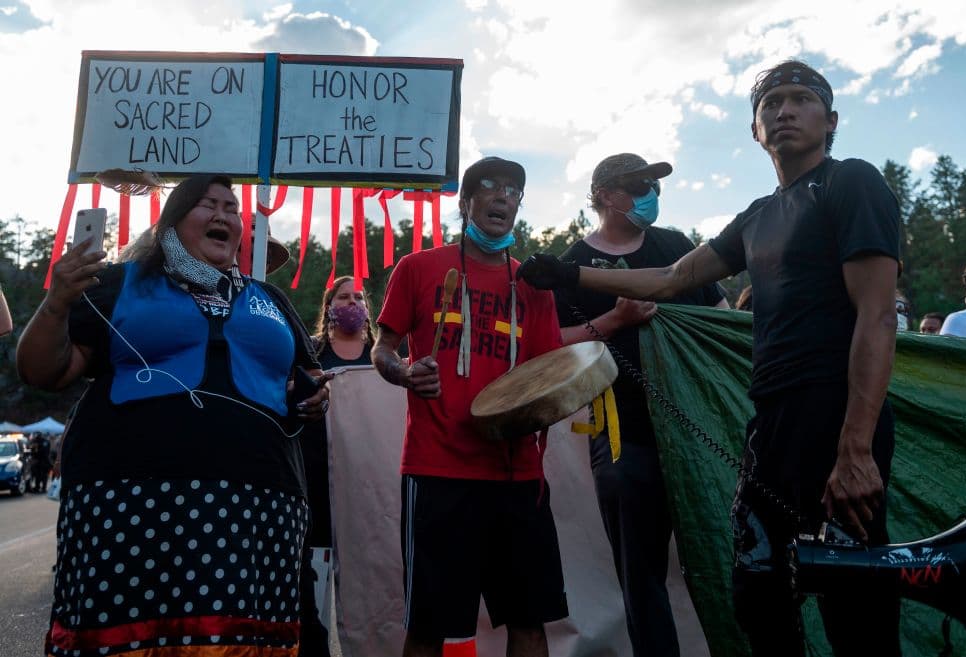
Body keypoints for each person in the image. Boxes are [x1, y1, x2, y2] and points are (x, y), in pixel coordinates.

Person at [518, 60, 902, 656]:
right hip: (769, 422)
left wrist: (856, 449)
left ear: (830, 120)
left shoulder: (851, 182)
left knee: (852, 603)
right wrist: (571, 274)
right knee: (759, 593)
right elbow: (673, 277)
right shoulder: (758, 215)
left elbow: (877, 316)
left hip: (836, 412)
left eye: (801, 99)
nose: (784, 110)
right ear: (755, 129)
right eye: (771, 103)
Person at [17, 173, 330, 657]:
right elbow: (44, 371)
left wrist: (311, 398)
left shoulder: (271, 301)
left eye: (231, 207)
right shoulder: (119, 283)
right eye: (208, 204)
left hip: (259, 505)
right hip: (129, 503)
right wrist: (57, 302)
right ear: (172, 222)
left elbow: (306, 380)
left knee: (241, 641)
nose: (224, 214)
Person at [372, 156, 568, 657]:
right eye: (490, 186)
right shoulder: (418, 268)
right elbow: (383, 349)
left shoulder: (533, 285)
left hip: (518, 475)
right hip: (438, 470)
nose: (503, 196)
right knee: (428, 627)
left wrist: (568, 391)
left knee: (529, 623)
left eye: (513, 190)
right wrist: (404, 372)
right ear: (466, 202)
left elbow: (547, 373)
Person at [554, 152, 728, 657]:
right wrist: (615, 321)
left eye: (656, 185)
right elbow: (552, 343)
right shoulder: (572, 265)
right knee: (642, 573)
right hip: (622, 433)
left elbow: (721, 315)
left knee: (722, 555)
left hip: (697, 429)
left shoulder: (676, 246)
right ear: (604, 195)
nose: (652, 193)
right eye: (639, 185)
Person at [298, 274, 377, 656]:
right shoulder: (311, 353)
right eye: (343, 297)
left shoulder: (382, 356)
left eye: (358, 297)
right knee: (316, 568)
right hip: (318, 476)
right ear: (328, 307)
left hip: (367, 481)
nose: (352, 303)